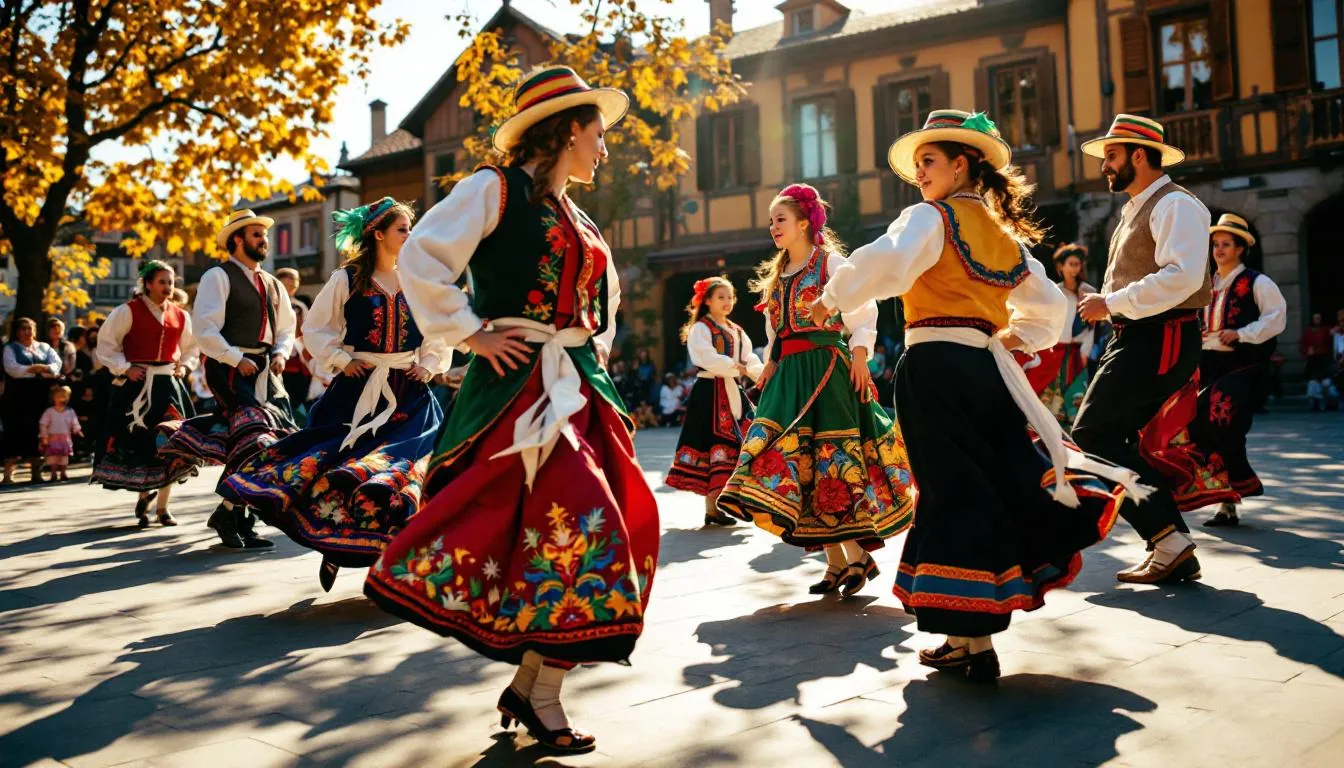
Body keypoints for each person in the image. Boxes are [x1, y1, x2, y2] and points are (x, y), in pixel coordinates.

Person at [362, 66, 658, 754]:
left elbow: (599, 304)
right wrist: (470, 330)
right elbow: (425, 259)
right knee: (582, 529)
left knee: (606, 529)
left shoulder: (575, 214)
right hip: (522, 386)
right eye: (599, 135)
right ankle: (543, 695)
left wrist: (595, 361)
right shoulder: (493, 190)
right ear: (568, 130)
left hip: (576, 387)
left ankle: (533, 688)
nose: (605, 150)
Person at [818, 109, 1146, 682]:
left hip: (935, 369)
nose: (919, 173)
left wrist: (833, 294)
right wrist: (1010, 335)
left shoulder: (929, 218)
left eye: (929, 161)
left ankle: (966, 637)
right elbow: (1052, 310)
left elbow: (888, 263)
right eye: (918, 163)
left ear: (961, 164)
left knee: (949, 492)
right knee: (981, 488)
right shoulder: (1001, 236)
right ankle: (970, 639)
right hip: (984, 368)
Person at [220, 198, 446, 592]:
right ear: (378, 234)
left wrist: (428, 363)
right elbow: (318, 329)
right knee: (345, 469)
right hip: (359, 393)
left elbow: (437, 329)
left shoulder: (418, 278)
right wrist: (342, 359)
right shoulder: (348, 279)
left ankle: (400, 563)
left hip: (409, 391)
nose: (410, 236)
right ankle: (336, 546)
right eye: (402, 229)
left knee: (410, 473)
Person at [718, 182, 914, 598]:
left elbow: (863, 307)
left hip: (827, 369)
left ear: (805, 223)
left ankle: (855, 557)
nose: (773, 226)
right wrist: (770, 362)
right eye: (771, 221)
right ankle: (838, 562)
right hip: (788, 374)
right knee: (798, 464)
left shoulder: (830, 263)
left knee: (831, 461)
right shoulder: (777, 273)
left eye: (781, 219)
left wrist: (860, 354)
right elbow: (776, 329)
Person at [1072, 114, 1214, 585]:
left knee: (1094, 434)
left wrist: (1109, 301)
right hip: (1142, 335)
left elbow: (1184, 276)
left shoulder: (1175, 204)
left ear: (1138, 154)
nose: (1104, 167)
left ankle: (1169, 540)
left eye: (1111, 156)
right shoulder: (1142, 206)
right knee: (1105, 434)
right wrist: (1105, 301)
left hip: (1164, 335)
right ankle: (1170, 543)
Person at [157, 209, 298, 549]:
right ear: (237, 239)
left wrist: (280, 353)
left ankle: (237, 516)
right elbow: (205, 331)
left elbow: (287, 328)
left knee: (272, 443)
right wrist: (237, 358)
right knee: (254, 439)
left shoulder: (273, 283)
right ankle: (231, 514)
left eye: (263, 235)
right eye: (255, 234)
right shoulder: (217, 277)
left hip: (265, 370)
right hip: (229, 368)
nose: (263, 240)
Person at [1192, 214, 1287, 527]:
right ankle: (1224, 501)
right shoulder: (1206, 284)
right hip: (1206, 364)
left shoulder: (1256, 282)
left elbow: (1276, 317)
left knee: (1223, 424)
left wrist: (1242, 333)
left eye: (1225, 244)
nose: (1218, 250)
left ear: (1240, 249)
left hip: (1241, 364)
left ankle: (1232, 494)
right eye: (1215, 244)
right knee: (1201, 430)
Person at [92, 260, 200, 526]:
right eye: (162, 281)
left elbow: (191, 349)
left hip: (169, 386)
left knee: (172, 443)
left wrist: (185, 366)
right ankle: (144, 494)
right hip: (137, 387)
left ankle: (163, 508)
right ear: (148, 284)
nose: (168, 287)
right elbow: (106, 346)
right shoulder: (127, 311)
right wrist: (125, 368)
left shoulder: (181, 315)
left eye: (171, 282)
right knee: (142, 441)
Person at [664, 276, 764, 525]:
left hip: (732, 391)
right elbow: (706, 357)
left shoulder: (736, 330)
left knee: (745, 440)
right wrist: (734, 367)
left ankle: (722, 504)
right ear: (707, 301)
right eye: (721, 297)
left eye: (730, 297)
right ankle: (714, 506)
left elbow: (749, 357)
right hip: (709, 391)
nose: (727, 301)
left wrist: (760, 373)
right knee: (714, 446)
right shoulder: (701, 328)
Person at [1016, 243, 1097, 426]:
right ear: (1060, 266)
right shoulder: (1055, 291)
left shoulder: (1089, 293)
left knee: (1076, 393)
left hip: (1077, 352)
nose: (1075, 268)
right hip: (1053, 350)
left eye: (1078, 264)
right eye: (1071, 264)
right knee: (1047, 392)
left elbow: (1092, 328)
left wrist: (1085, 351)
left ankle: (1073, 433)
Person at [3, 318, 62, 484]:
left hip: (40, 394)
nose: (27, 332)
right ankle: (8, 474)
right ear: (16, 331)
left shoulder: (44, 347)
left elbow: (56, 364)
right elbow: (12, 369)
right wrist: (32, 369)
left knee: (38, 430)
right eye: (23, 329)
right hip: (16, 395)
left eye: (30, 329)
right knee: (14, 431)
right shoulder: (10, 348)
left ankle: (36, 471)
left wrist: (45, 369)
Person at [38, 384, 81, 481]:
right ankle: (53, 474)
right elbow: (43, 423)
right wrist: (44, 436)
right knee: (53, 457)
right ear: (53, 398)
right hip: (52, 437)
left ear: (68, 398)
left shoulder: (70, 411)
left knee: (64, 457)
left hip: (65, 437)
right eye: (58, 396)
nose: (61, 399)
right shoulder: (49, 411)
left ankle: (63, 473)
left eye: (64, 396)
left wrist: (77, 429)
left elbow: (75, 422)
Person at [1302, 312, 1337, 410]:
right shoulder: (1308, 332)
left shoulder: (1326, 331)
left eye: (1319, 318)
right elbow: (1303, 345)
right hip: (1313, 362)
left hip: (1324, 362)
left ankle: (1331, 404)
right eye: (1316, 318)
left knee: (1327, 384)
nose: (1318, 320)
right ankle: (1315, 405)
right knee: (1313, 384)